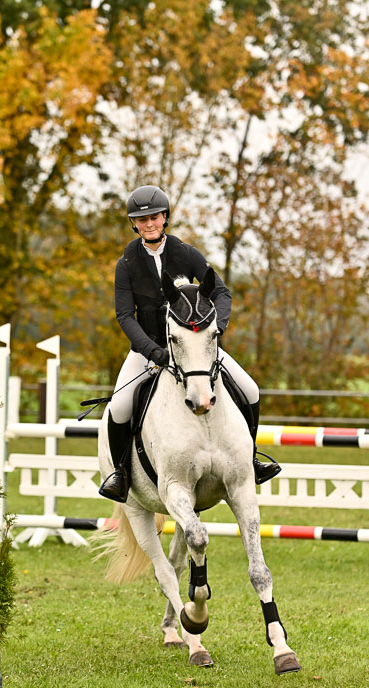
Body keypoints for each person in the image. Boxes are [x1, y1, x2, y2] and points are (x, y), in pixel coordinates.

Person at [99, 185, 281, 502]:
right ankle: (121, 474)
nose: (148, 224)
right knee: (120, 406)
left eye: (154, 217)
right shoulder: (127, 263)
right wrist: (152, 351)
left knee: (250, 389)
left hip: (195, 348)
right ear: (134, 224)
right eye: (141, 220)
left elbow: (221, 293)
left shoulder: (185, 253)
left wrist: (216, 329)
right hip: (147, 350)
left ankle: (251, 460)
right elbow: (125, 315)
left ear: (165, 217)